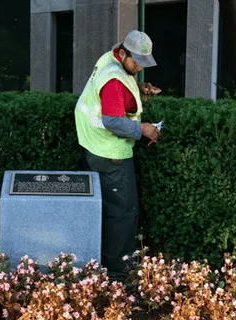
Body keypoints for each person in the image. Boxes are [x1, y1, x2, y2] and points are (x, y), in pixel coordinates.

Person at [74, 30, 163, 276]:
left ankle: (105, 266)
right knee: (123, 213)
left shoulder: (111, 60)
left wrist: (139, 89)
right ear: (123, 53)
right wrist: (142, 128)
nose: (139, 68)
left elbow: (120, 91)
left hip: (93, 145)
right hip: (110, 153)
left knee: (108, 210)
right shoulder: (113, 80)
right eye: (136, 62)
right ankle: (117, 273)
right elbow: (113, 120)